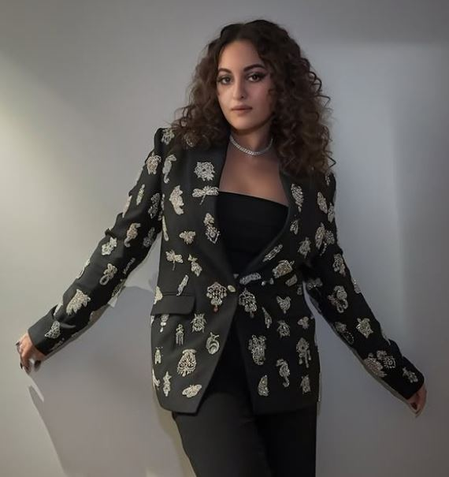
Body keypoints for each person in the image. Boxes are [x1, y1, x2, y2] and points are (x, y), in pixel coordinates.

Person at [16, 18, 426, 477]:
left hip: (285, 368)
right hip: (198, 363)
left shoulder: (312, 181)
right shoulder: (177, 154)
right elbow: (121, 246)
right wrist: (52, 328)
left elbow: (335, 287)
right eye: (225, 79)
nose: (238, 93)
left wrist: (396, 371)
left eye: (255, 76)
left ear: (281, 84)